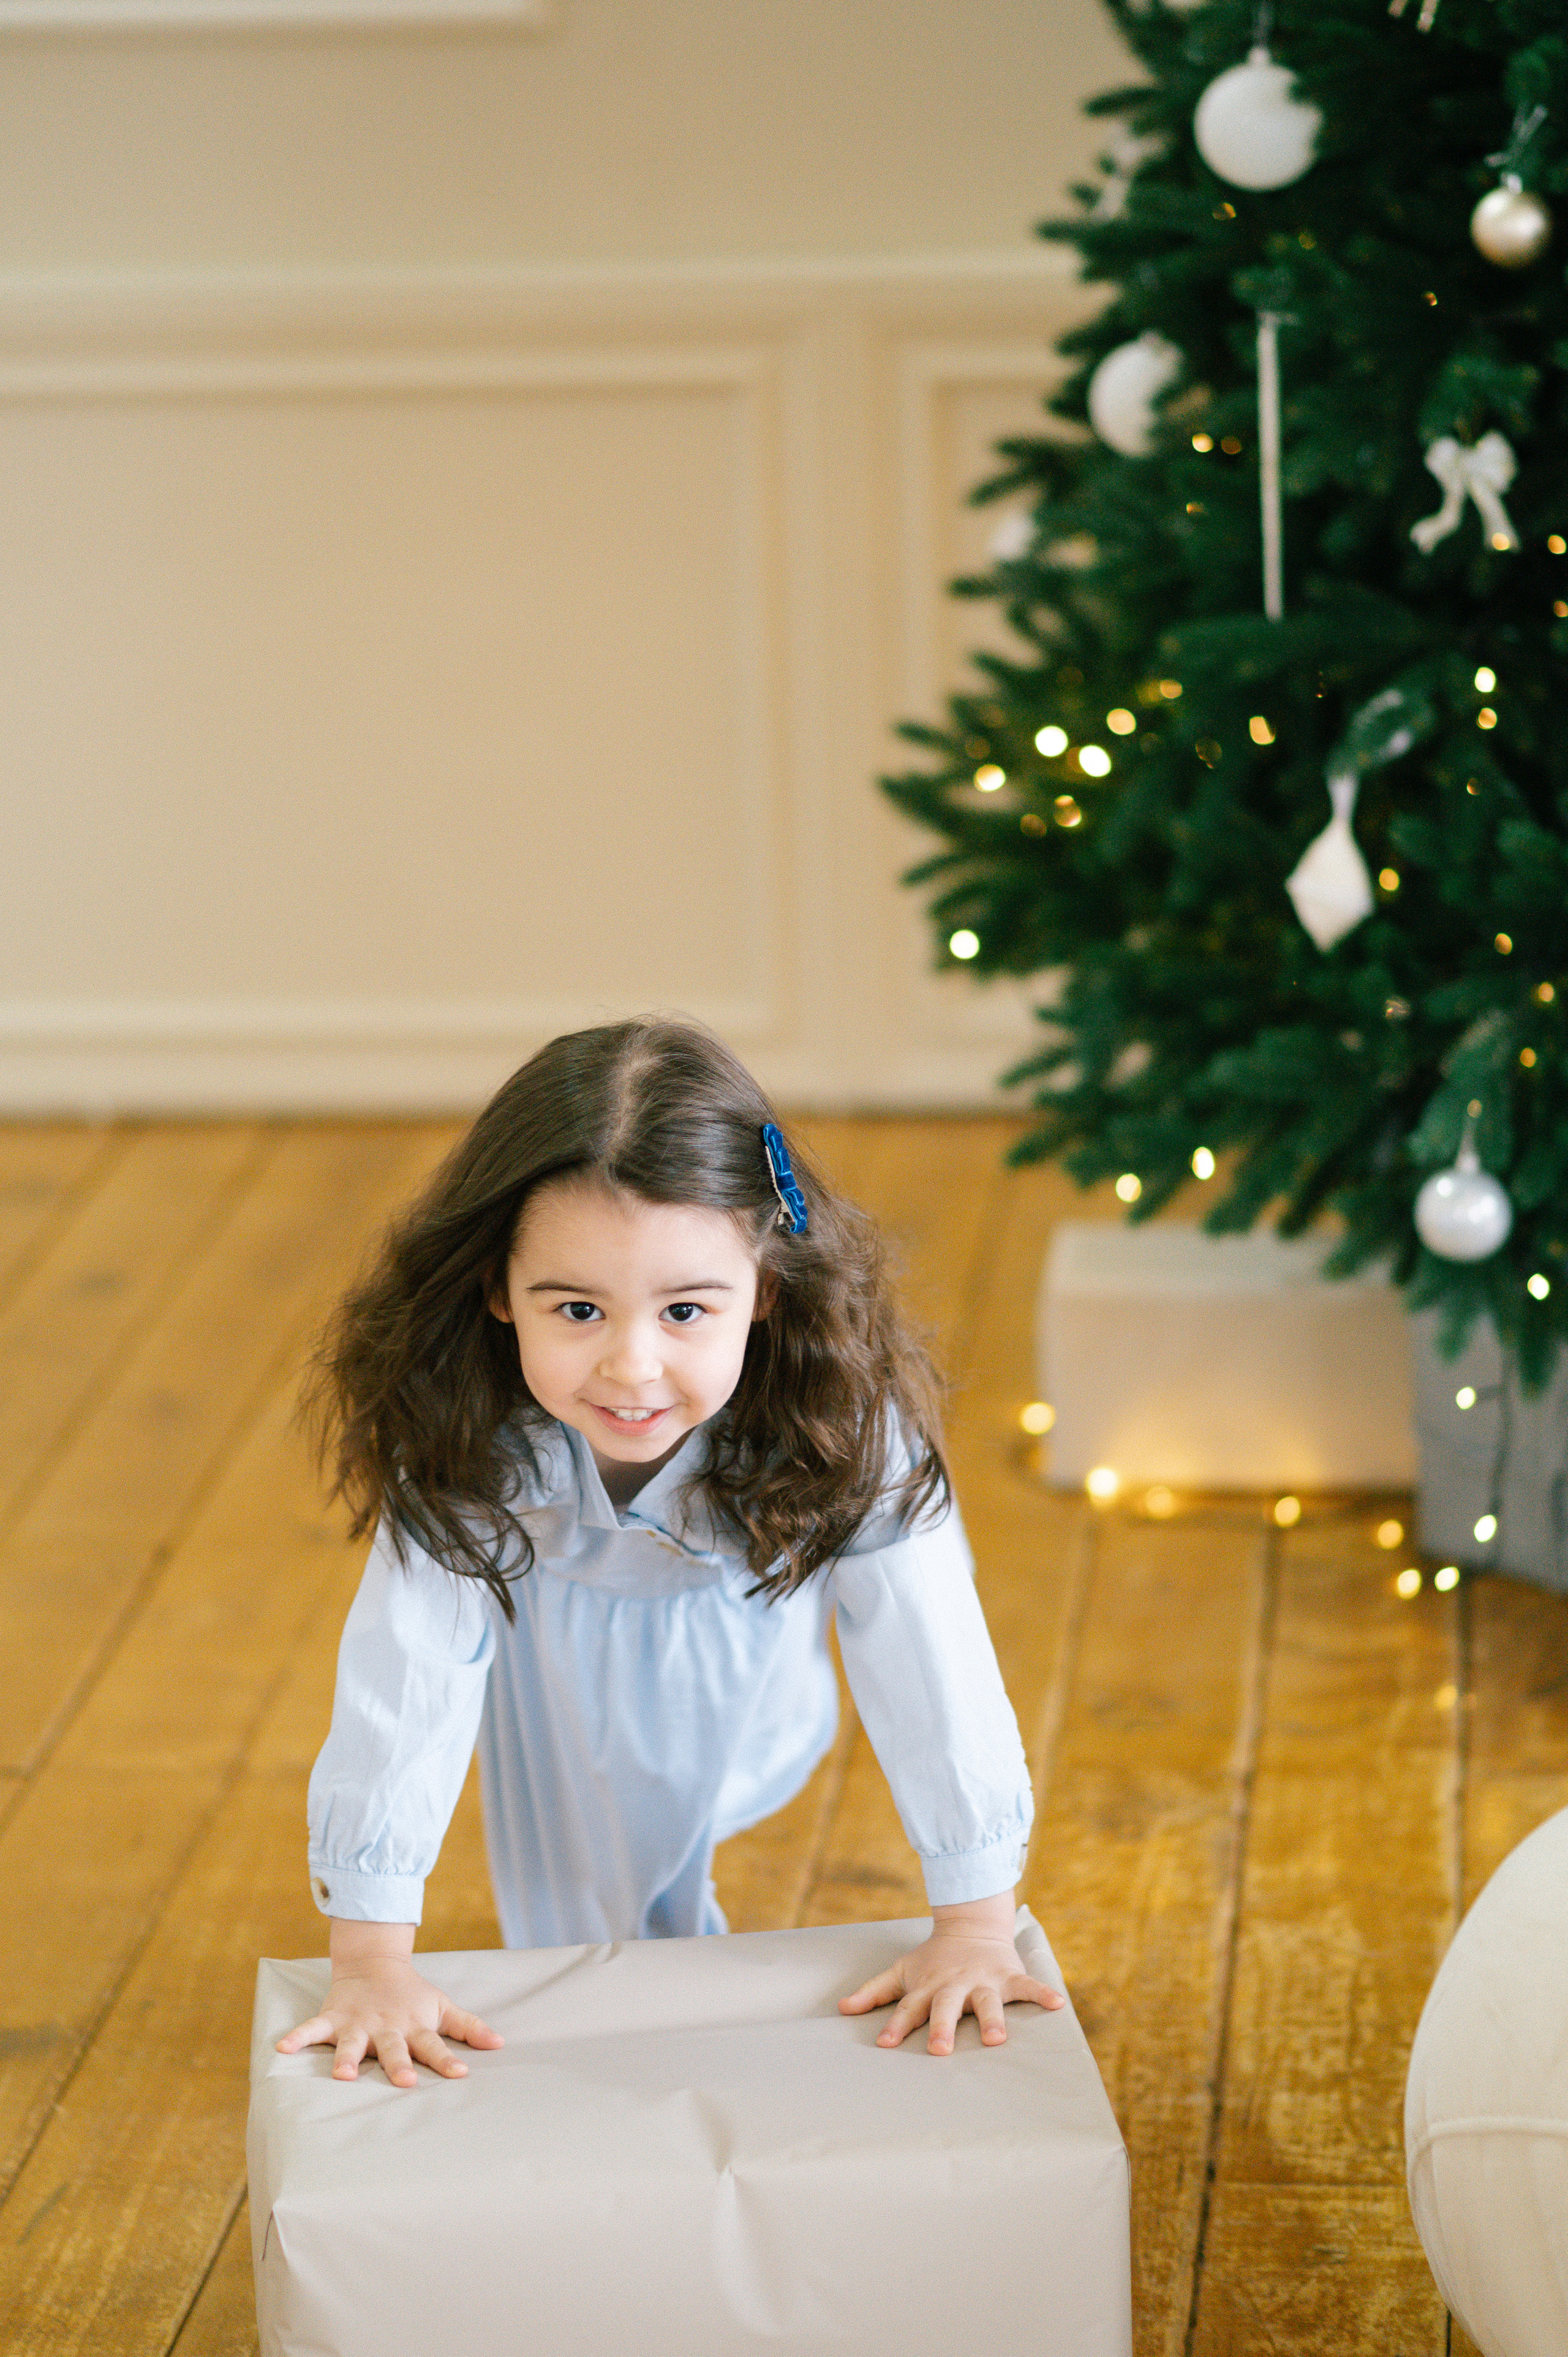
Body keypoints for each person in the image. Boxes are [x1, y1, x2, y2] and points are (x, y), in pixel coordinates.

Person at [278, 1018, 1057, 2090]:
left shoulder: (845, 1429)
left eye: (687, 1310)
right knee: (577, 1935)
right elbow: (404, 1678)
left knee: (729, 1772)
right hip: (550, 1654)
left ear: (766, 1290)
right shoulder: (473, 1441)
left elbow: (930, 1656)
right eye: (579, 1309)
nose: (633, 1367)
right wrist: (369, 1958)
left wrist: (976, 1922)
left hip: (750, 1645)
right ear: (500, 1292)